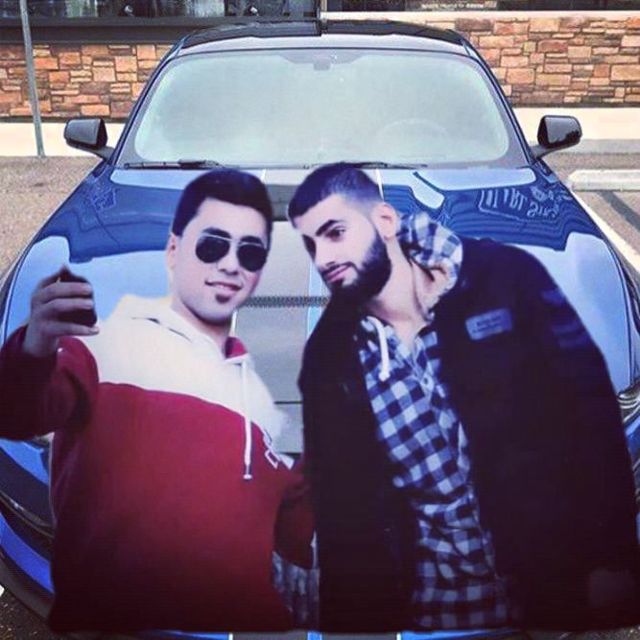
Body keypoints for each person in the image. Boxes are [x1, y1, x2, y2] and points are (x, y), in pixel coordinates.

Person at [287, 163, 639, 632]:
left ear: (386, 221)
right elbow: (340, 501)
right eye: (312, 244)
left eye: (335, 233)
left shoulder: (508, 276)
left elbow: (593, 409)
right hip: (437, 598)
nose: (325, 257)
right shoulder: (329, 353)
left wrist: (610, 555)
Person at [0, 169, 313, 633]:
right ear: (173, 252)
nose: (230, 265)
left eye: (249, 254)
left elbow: (289, 516)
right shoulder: (105, 345)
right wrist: (33, 351)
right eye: (211, 246)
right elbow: (20, 412)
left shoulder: (250, 384)